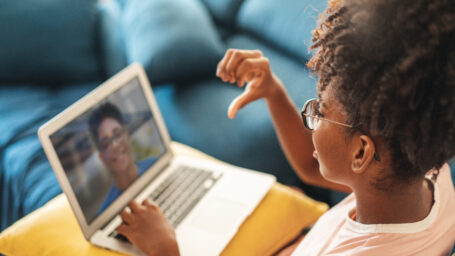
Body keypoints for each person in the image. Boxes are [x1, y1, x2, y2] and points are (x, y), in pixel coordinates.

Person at [114, 0, 455, 255]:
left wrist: (165, 250)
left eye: (318, 110)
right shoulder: (430, 176)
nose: (313, 116)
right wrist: (275, 93)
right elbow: (311, 166)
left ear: (362, 151)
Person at [88, 102, 157, 214]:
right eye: (106, 144)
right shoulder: (106, 211)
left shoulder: (154, 164)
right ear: (101, 158)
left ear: (127, 137)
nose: (115, 145)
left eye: (117, 134)